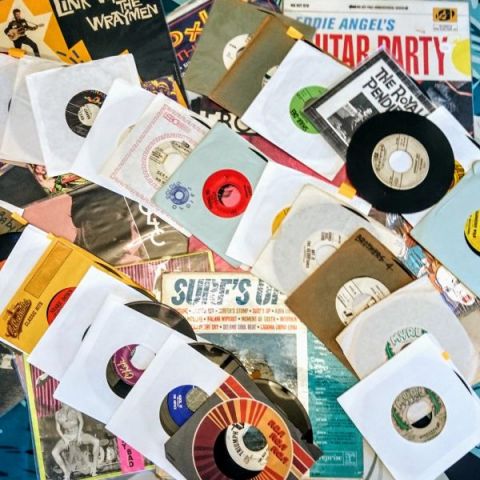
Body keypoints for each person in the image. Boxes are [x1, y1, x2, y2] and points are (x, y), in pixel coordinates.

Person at [52, 405, 99, 480]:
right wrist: (64, 438)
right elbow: (58, 428)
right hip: (67, 436)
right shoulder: (57, 413)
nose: (63, 403)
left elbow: (81, 422)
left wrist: (79, 435)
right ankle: (66, 472)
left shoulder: (76, 410)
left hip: (79, 434)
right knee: (54, 452)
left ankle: (94, 468)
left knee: (96, 441)